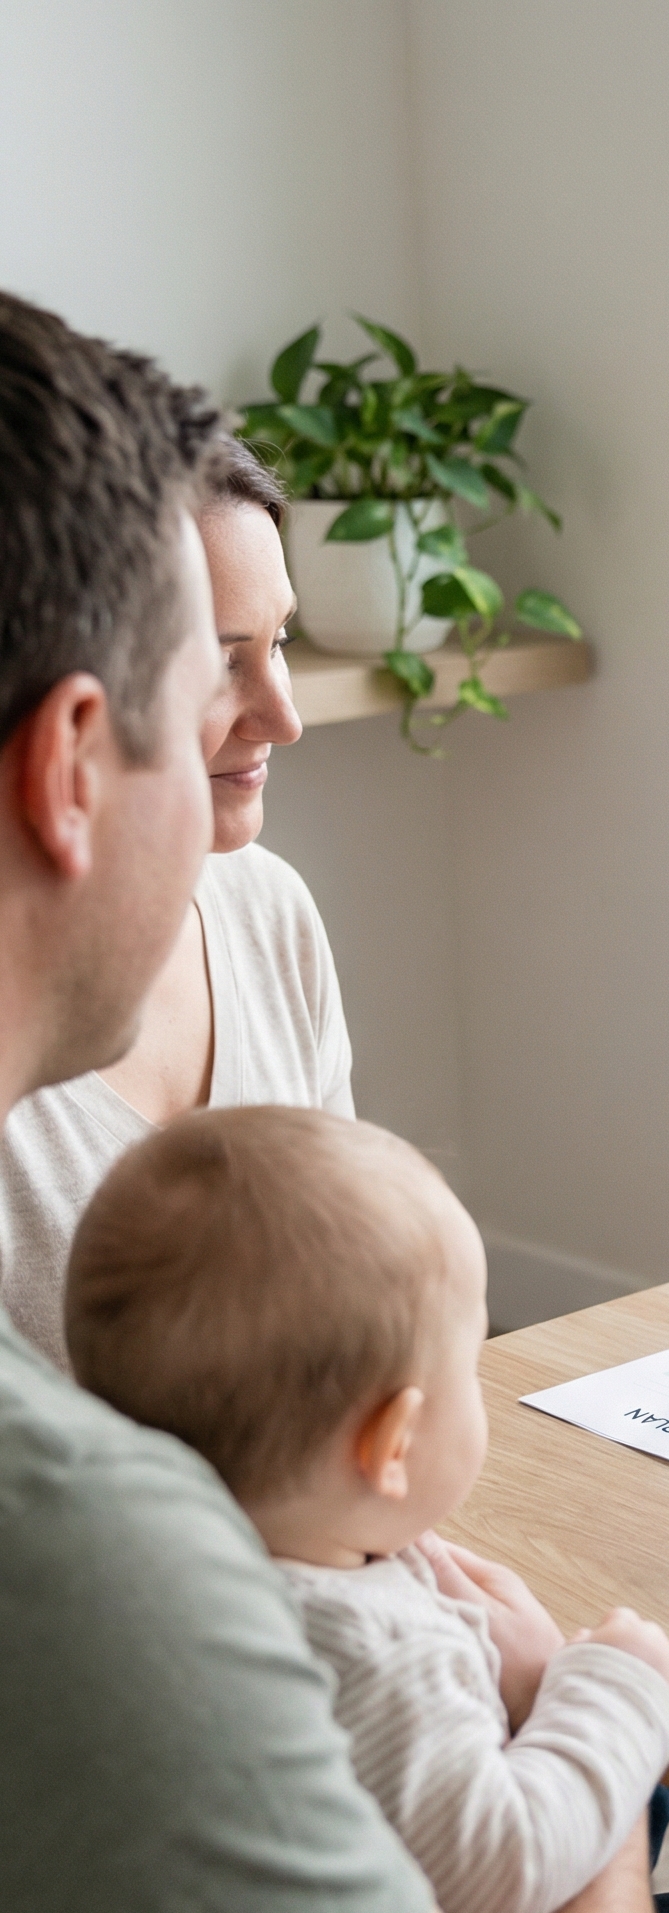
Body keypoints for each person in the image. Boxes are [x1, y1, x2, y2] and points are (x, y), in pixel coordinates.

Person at [0, 291, 669, 1913]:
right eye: (203, 673)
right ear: (76, 759)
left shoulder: (263, 923)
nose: (277, 721)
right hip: (234, 1732)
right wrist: (575, 1738)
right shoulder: (91, 1546)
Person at [68, 1106, 669, 1913]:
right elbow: (496, 1870)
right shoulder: (366, 1653)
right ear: (390, 1447)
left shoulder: (128, 1573)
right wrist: (617, 1689)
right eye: (470, 1366)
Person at [0, 434, 341, 1367]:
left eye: (280, 642)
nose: (285, 717)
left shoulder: (270, 912)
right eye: (222, 664)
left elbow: (347, 1296)